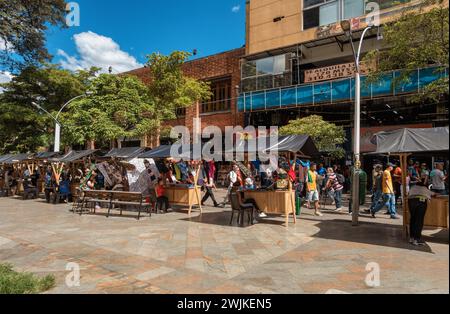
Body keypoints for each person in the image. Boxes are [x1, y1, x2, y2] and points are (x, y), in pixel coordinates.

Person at [408, 179, 436, 246]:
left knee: (413, 219)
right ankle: (417, 239)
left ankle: (411, 238)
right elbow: (434, 194)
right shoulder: (424, 188)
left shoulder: (413, 187)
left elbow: (408, 193)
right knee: (419, 220)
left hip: (411, 201)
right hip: (421, 202)